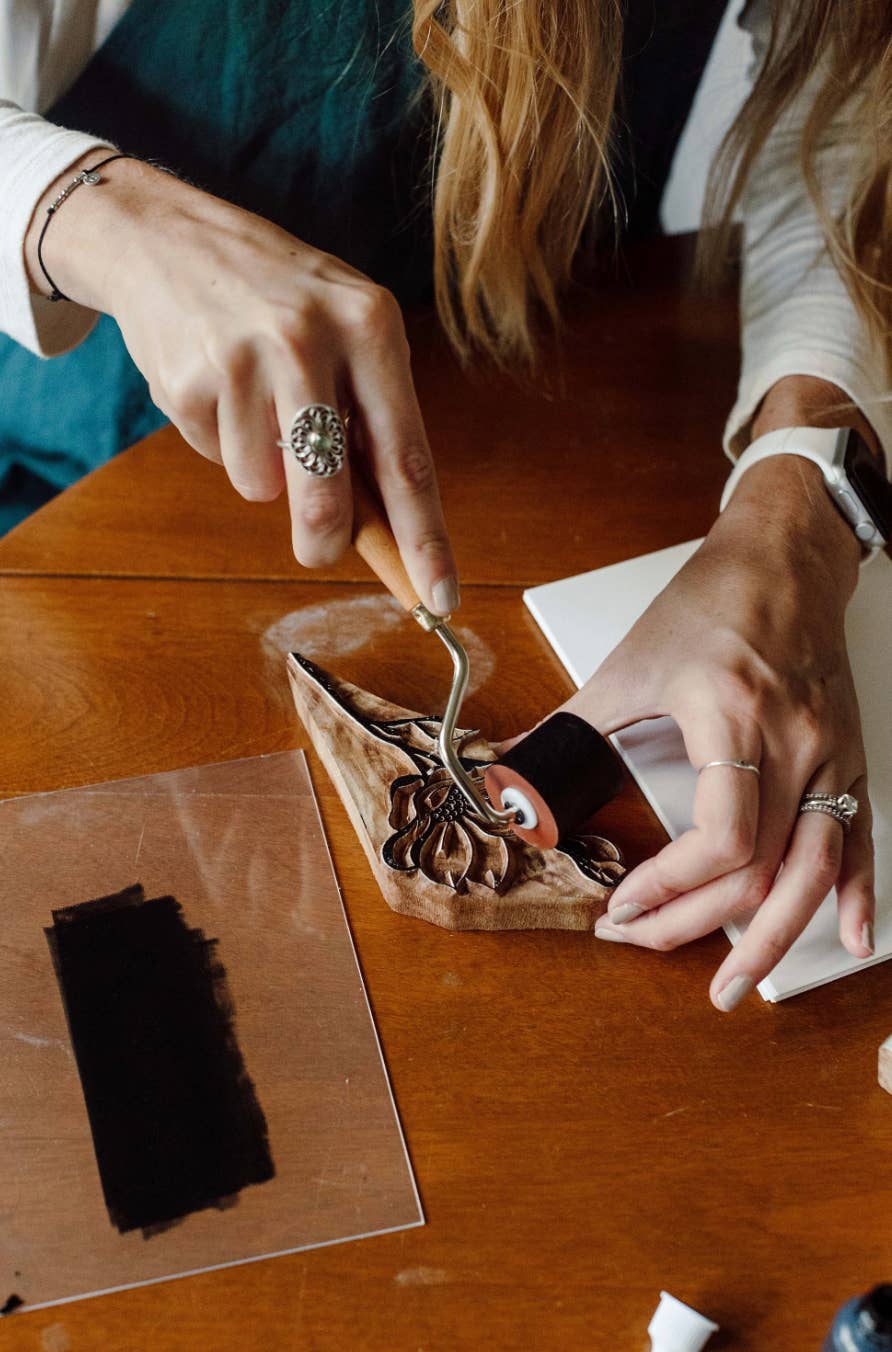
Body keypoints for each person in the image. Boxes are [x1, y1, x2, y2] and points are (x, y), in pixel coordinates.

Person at [1, 0, 889, 1010]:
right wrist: (90, 211)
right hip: (71, 505)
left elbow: (842, 118)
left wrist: (798, 502)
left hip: (555, 420)